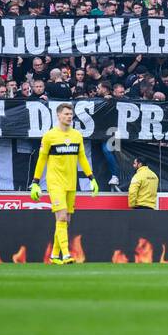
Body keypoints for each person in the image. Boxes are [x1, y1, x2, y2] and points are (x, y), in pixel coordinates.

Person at [29, 103, 97, 264]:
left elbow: (82, 158)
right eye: (66, 114)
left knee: (66, 219)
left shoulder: (77, 136)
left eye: (70, 114)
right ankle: (66, 254)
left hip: (71, 183)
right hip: (55, 183)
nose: (69, 116)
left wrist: (91, 178)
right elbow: (42, 159)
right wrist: (36, 182)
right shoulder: (49, 136)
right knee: (61, 216)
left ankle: (54, 255)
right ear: (58, 116)